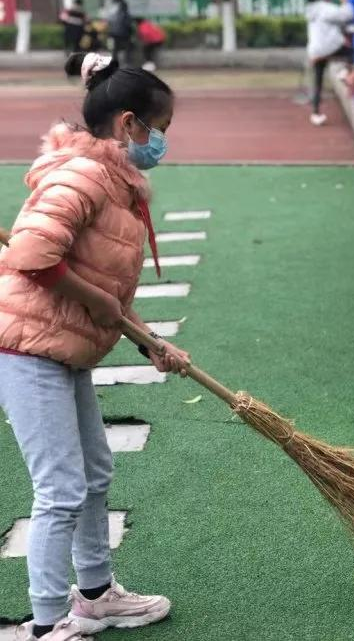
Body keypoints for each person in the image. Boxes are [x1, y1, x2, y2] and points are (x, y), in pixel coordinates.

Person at [0, 52, 190, 641]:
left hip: (66, 345)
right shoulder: (80, 177)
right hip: (29, 349)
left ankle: (97, 593)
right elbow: (32, 257)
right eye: (158, 130)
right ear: (129, 123)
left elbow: (98, 285)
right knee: (59, 489)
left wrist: (147, 340)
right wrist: (105, 307)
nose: (161, 142)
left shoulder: (112, 180)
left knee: (94, 471)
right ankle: (50, 623)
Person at [305, 0, 354, 126]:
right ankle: (344, 72)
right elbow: (346, 16)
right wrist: (346, 2)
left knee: (318, 81)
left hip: (315, 50)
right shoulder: (324, 8)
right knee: (351, 52)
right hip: (329, 46)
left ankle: (315, 113)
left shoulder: (311, 11)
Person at [104, 0, 133, 67]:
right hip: (114, 32)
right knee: (114, 49)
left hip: (122, 31)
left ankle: (125, 64)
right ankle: (117, 65)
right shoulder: (111, 4)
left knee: (123, 49)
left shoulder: (122, 4)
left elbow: (126, 20)